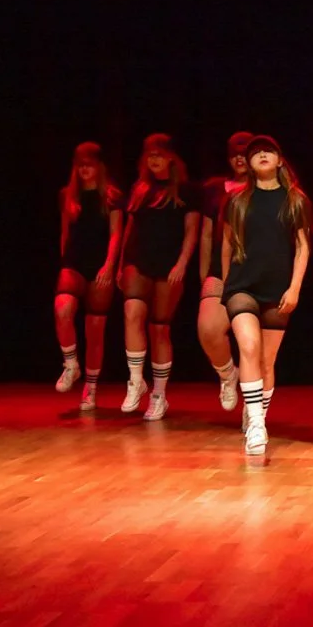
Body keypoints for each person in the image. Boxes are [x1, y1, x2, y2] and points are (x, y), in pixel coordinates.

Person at [219, 136, 313, 456]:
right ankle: (257, 423)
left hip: (278, 290)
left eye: (268, 151)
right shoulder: (237, 201)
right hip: (242, 287)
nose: (261, 155)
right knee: (248, 346)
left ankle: (257, 409)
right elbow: (227, 244)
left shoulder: (294, 200)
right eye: (255, 152)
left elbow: (302, 247)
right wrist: (226, 283)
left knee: (266, 361)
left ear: (279, 160)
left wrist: (295, 288)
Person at [117, 133, 199, 420]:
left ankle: (159, 394)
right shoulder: (140, 189)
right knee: (131, 312)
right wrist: (119, 263)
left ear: (171, 158)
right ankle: (136, 380)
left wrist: (182, 264)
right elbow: (129, 228)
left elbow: (191, 231)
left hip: (168, 265)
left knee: (159, 328)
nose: (154, 159)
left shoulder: (186, 191)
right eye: (149, 155)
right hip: (139, 261)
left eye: (159, 155)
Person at [54, 142, 124, 410]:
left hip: (100, 264)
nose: (84, 169)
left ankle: (90, 388)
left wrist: (109, 266)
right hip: (74, 262)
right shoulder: (68, 195)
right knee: (62, 309)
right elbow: (65, 232)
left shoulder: (112, 195)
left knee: (95, 330)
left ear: (99, 166)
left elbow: (117, 233)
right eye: (80, 164)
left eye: (89, 164)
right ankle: (71, 364)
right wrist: (64, 261)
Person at [197, 131, 252, 413]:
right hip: (220, 267)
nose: (239, 159)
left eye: (245, 153)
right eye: (235, 154)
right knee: (208, 328)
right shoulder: (216, 188)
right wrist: (204, 271)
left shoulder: (266, 187)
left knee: (251, 340)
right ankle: (227, 374)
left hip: (254, 267)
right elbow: (206, 235)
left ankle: (252, 407)